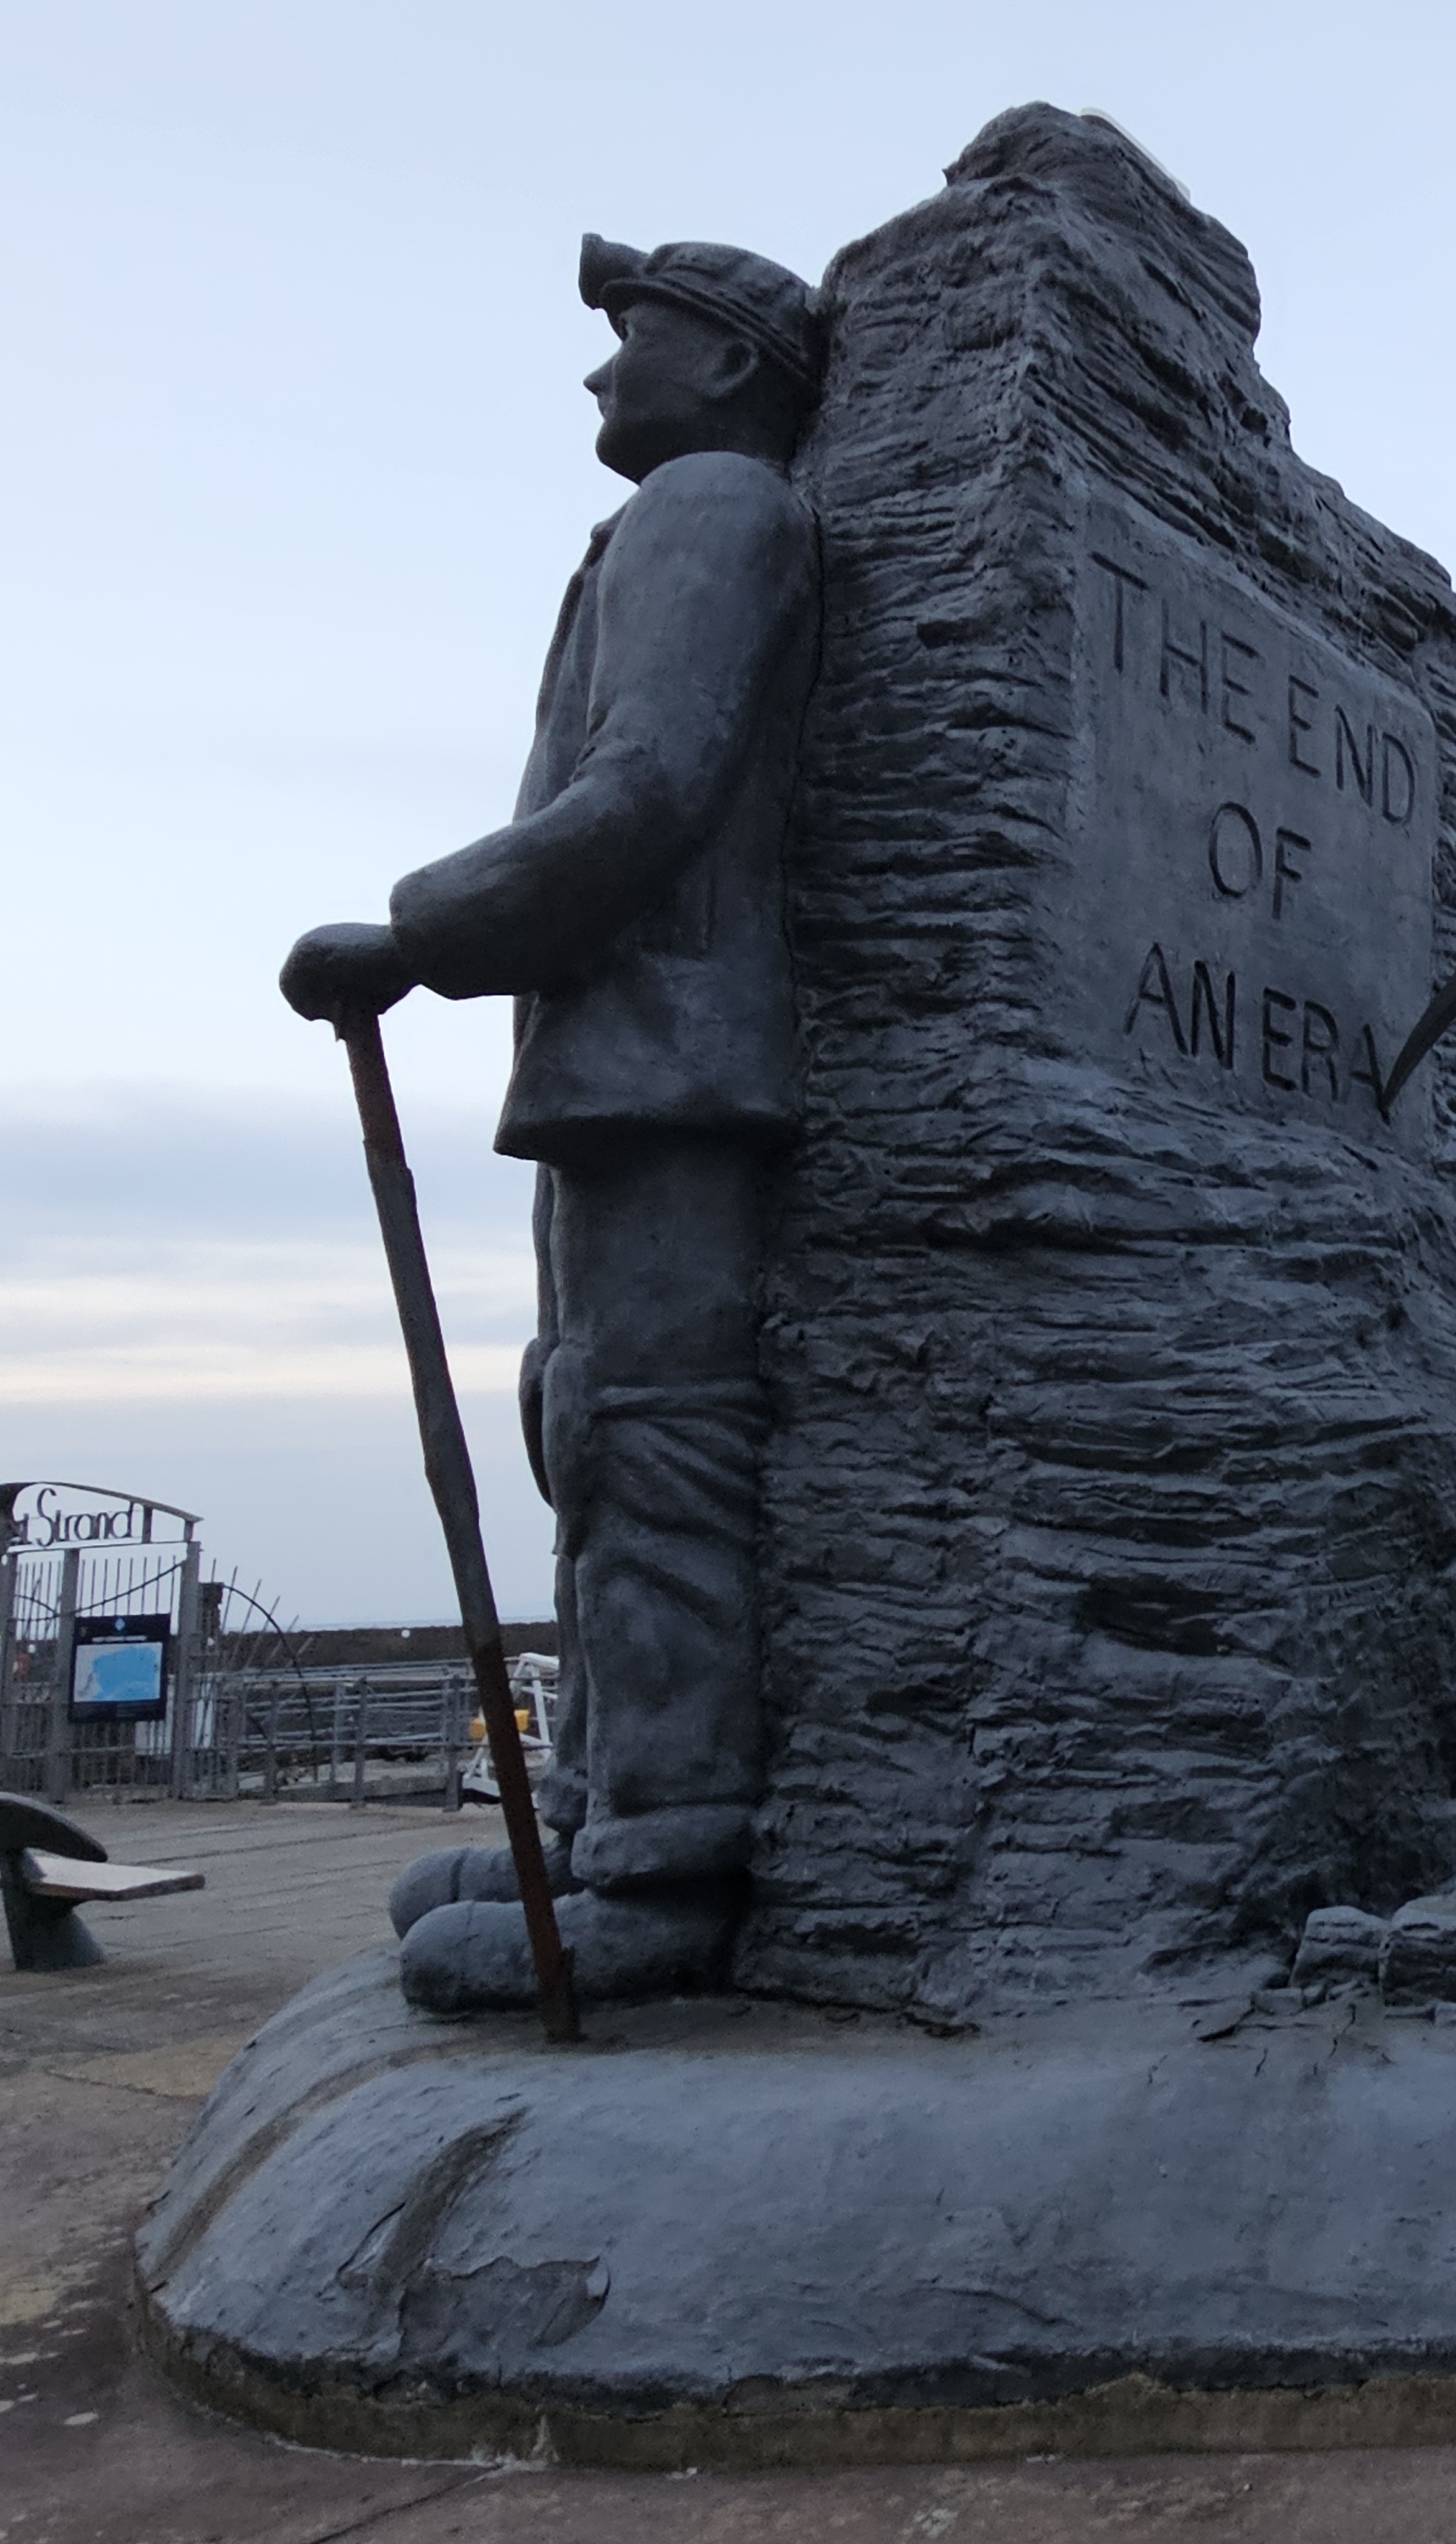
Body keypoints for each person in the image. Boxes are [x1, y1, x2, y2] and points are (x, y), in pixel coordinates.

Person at [280, 237, 823, 2008]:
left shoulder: (717, 502)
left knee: (655, 1451)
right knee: (587, 1430)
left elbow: (648, 789)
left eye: (635, 342)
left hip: (671, 1057)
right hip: (618, 1059)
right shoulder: (676, 511)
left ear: (733, 365)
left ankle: (664, 1876)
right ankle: (589, 1814)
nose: (600, 380)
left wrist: (416, 934)